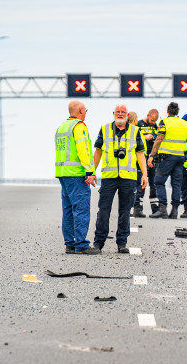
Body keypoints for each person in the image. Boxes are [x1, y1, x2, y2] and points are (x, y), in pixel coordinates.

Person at [91, 103, 148, 254]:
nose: (121, 114)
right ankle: (98, 243)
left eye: (123, 112)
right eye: (118, 112)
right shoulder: (104, 129)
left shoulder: (135, 131)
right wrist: (91, 171)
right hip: (109, 177)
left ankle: (122, 243)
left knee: (125, 211)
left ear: (128, 115)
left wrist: (145, 174)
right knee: (103, 210)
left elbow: (140, 154)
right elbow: (98, 152)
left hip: (128, 177)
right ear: (113, 113)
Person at [55, 100, 98, 254]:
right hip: (76, 174)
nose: (85, 112)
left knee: (68, 210)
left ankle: (70, 244)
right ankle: (81, 245)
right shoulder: (78, 126)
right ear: (80, 110)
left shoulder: (62, 127)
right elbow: (83, 150)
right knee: (81, 209)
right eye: (85, 110)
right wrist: (89, 172)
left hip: (63, 174)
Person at [147, 101, 187, 218]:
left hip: (166, 157)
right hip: (180, 158)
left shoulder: (165, 122)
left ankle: (162, 208)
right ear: (178, 112)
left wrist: (151, 155)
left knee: (159, 181)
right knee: (176, 184)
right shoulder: (185, 124)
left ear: (167, 111)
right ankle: (175, 210)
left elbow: (159, 139)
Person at [134, 108, 162, 218]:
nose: (153, 123)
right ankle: (137, 208)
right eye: (151, 120)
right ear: (147, 115)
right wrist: (145, 137)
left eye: (155, 121)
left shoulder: (155, 126)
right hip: (142, 157)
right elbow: (133, 137)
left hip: (153, 157)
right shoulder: (139, 125)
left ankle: (155, 209)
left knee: (153, 183)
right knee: (141, 182)